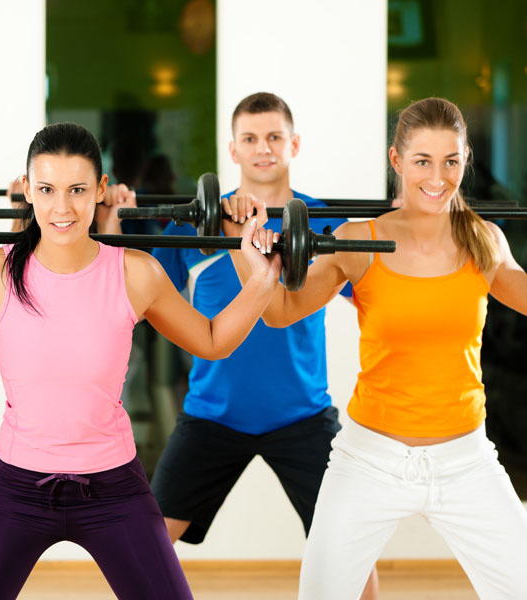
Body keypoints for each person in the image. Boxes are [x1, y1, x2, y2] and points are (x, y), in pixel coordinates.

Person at [0, 121, 281, 599]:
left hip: (113, 487)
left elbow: (211, 340)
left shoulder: (135, 273)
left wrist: (260, 282)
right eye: (46, 189)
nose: (62, 207)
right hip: (15, 488)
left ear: (101, 190)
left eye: (77, 190)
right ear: (28, 190)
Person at [238, 97, 527, 599]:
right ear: (396, 160)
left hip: (465, 460)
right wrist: (257, 267)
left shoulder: (485, 242)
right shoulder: (358, 242)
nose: (437, 177)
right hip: (370, 460)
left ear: (466, 160)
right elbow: (279, 311)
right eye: (422, 161)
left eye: (450, 161)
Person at [145, 91, 377, 597]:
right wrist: (107, 220)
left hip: (302, 415)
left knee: (350, 549)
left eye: (274, 137)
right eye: (250, 138)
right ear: (233, 150)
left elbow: (377, 297)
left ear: (294, 143)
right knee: (146, 546)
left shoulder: (324, 223)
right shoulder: (196, 223)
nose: (263, 148)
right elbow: (139, 290)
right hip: (212, 413)